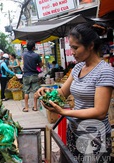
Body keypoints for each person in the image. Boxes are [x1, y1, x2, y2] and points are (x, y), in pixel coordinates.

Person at [37, 22, 114, 162]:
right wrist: (46, 92)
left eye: (75, 47)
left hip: (94, 137)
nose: (72, 52)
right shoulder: (78, 68)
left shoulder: (105, 71)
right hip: (74, 129)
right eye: (71, 47)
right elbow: (62, 93)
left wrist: (65, 112)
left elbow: (100, 111)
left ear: (91, 46)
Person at [22, 40, 43, 112]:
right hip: (34, 75)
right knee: (35, 91)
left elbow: (24, 64)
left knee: (26, 91)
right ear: (33, 47)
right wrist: (36, 65)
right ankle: (35, 107)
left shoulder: (24, 55)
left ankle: (26, 107)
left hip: (26, 75)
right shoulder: (36, 55)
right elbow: (41, 65)